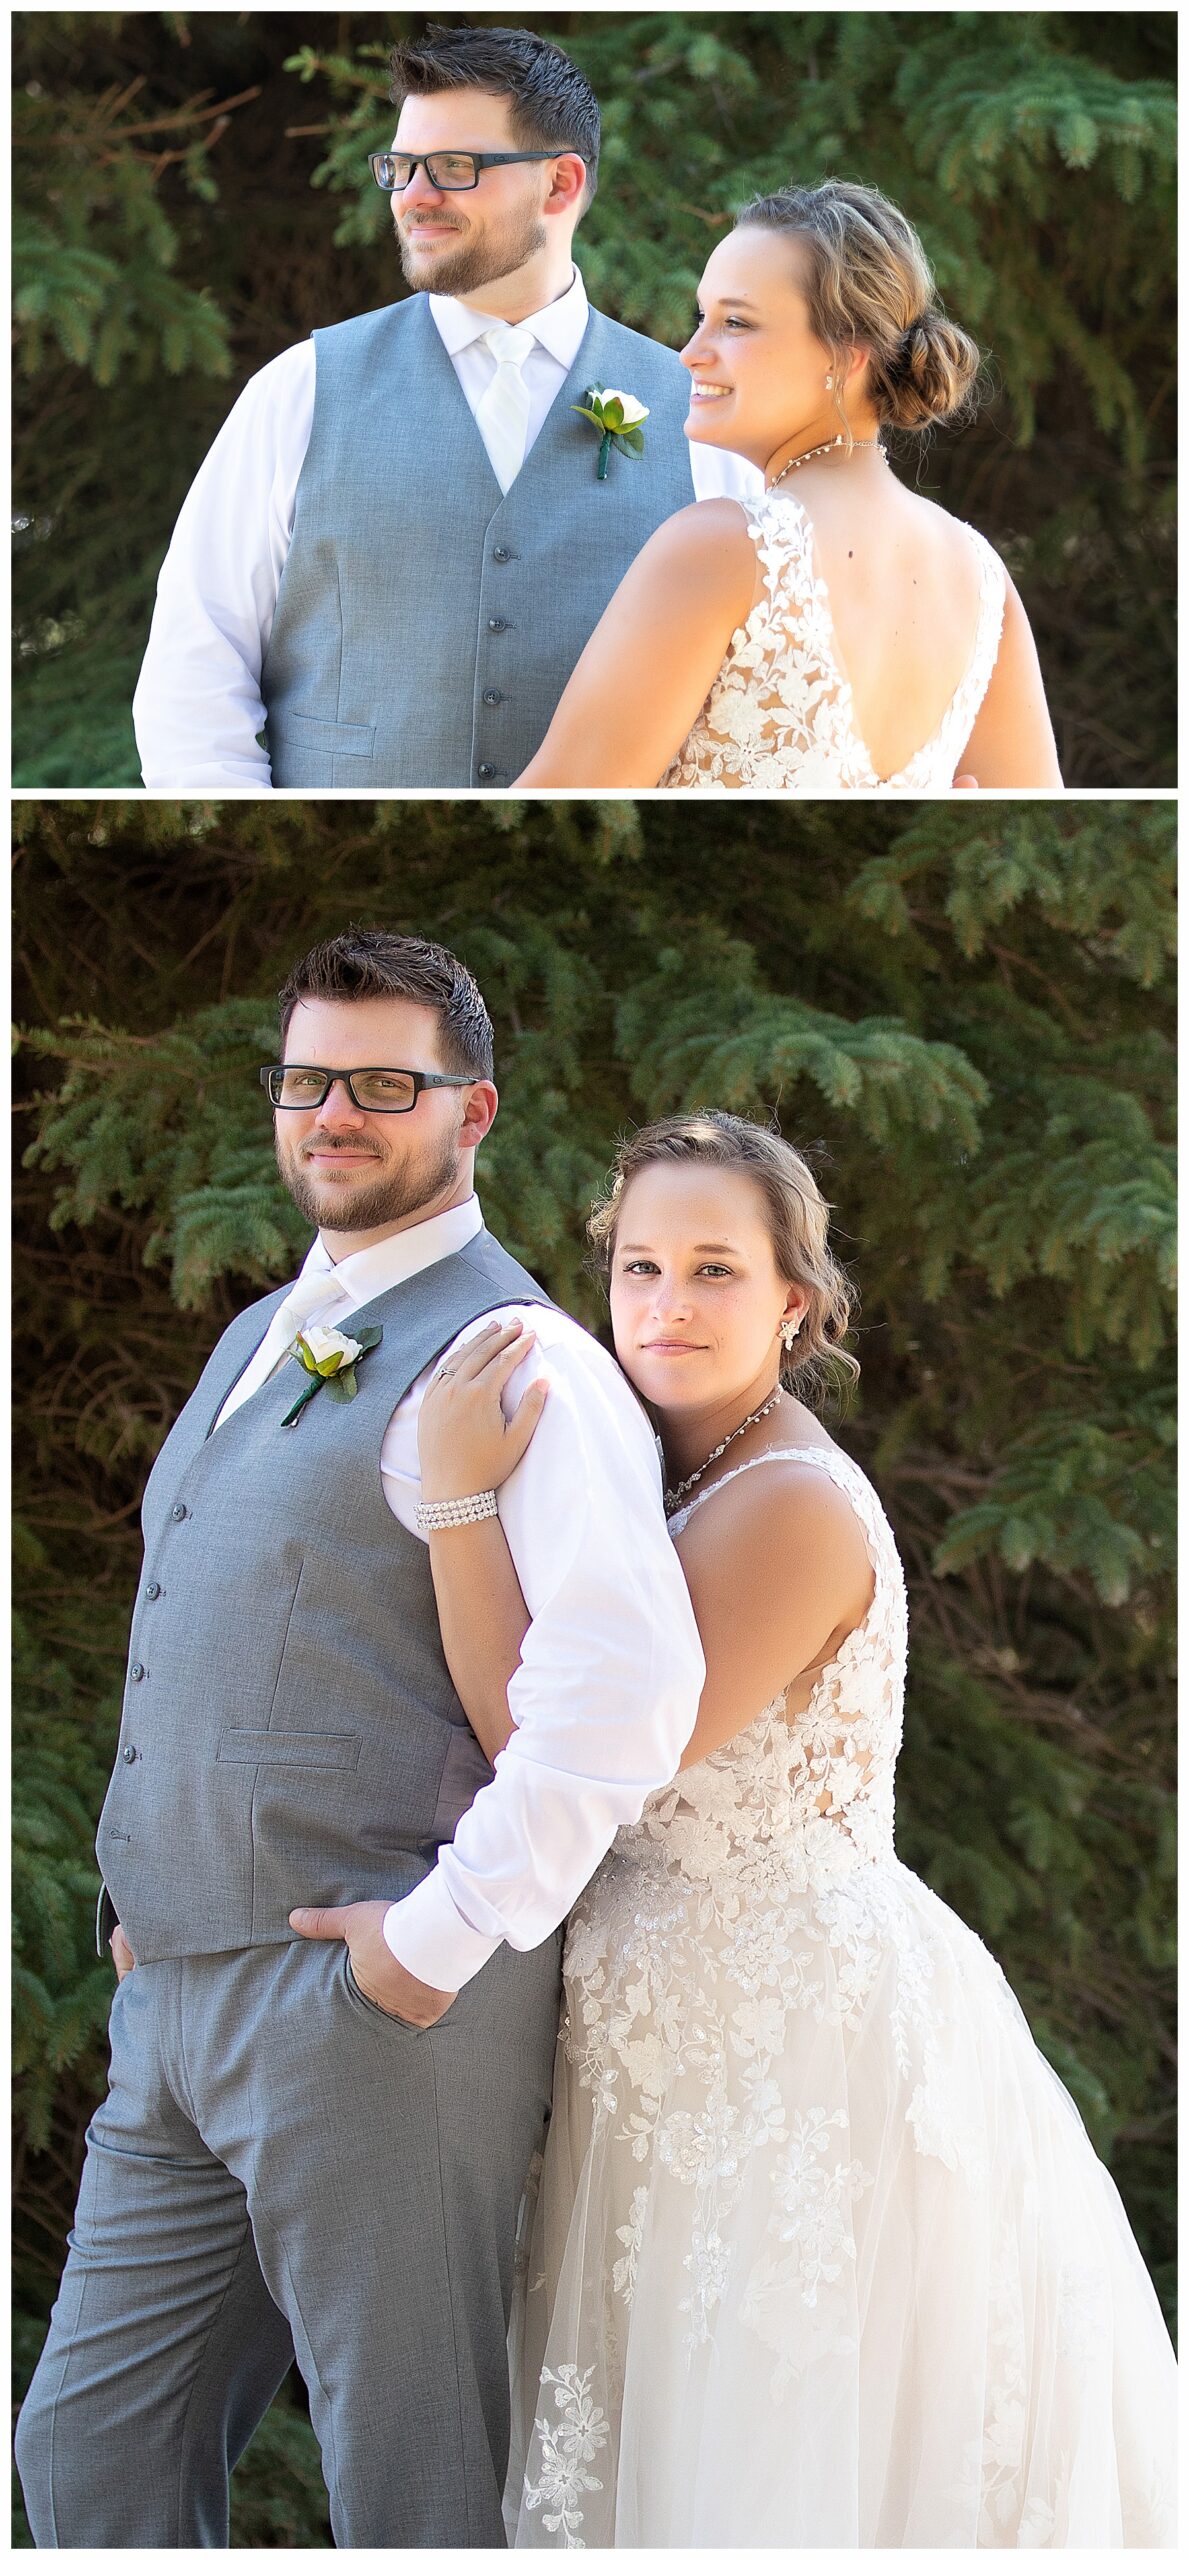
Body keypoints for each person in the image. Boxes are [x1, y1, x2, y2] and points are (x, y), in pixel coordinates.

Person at [13, 932, 705, 2550]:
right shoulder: (260, 1331)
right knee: (87, 2461)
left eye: (381, 1084)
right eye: (307, 1079)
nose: (333, 1111)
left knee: (410, 2493)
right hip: (175, 2001)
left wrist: (440, 1934)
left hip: (373, 2007)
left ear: (469, 1112)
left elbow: (621, 1693)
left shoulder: (521, 1363)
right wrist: (154, 1909)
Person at [416, 1113, 1176, 2548]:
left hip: (791, 2066)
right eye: (640, 1268)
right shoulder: (667, 1471)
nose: (666, 1306)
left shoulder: (785, 1507)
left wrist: (458, 1501)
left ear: (795, 1303)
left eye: (715, 1270)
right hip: (666, 2050)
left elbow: (556, 1765)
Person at [131, 23, 758, 792]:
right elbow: (194, 670)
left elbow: (747, 701)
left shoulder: (700, 417)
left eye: (455, 167)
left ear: (559, 184)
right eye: (400, 167)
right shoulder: (299, 389)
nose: (413, 197)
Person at [517, 181, 1063, 789]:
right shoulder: (983, 577)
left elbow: (559, 807)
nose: (690, 353)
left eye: (737, 323)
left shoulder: (724, 547)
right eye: (703, 318)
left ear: (845, 357)